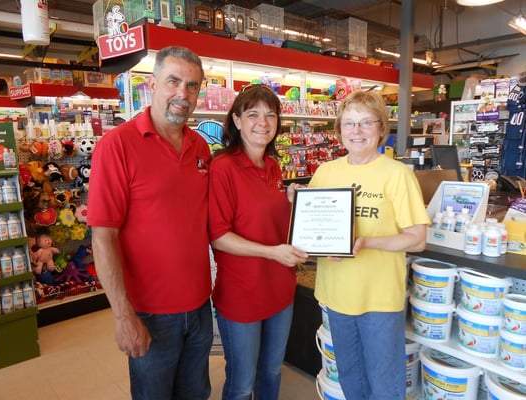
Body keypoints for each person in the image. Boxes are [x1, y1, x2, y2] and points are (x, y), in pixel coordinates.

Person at [87, 46, 213, 400]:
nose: (182, 94)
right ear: (153, 84)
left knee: (195, 395)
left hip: (200, 307)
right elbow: (103, 238)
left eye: (192, 86)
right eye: (173, 81)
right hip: (150, 313)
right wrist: (123, 317)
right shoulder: (117, 146)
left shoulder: (201, 147)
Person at [308, 90, 430, 400]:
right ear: (339, 131)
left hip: (377, 298)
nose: (356, 131)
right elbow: (312, 229)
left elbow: (417, 239)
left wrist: (366, 242)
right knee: (350, 377)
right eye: (349, 123)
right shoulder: (325, 173)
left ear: (381, 129)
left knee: (384, 382)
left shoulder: (397, 174)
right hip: (336, 294)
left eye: (365, 123)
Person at [208, 84, 308, 400]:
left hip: (280, 289)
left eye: (270, 115)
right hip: (242, 293)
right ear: (236, 120)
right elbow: (219, 237)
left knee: (272, 371)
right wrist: (271, 253)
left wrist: (296, 204)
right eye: (252, 114)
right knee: (241, 382)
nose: (262, 122)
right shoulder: (223, 167)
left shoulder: (274, 166)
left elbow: (270, 221)